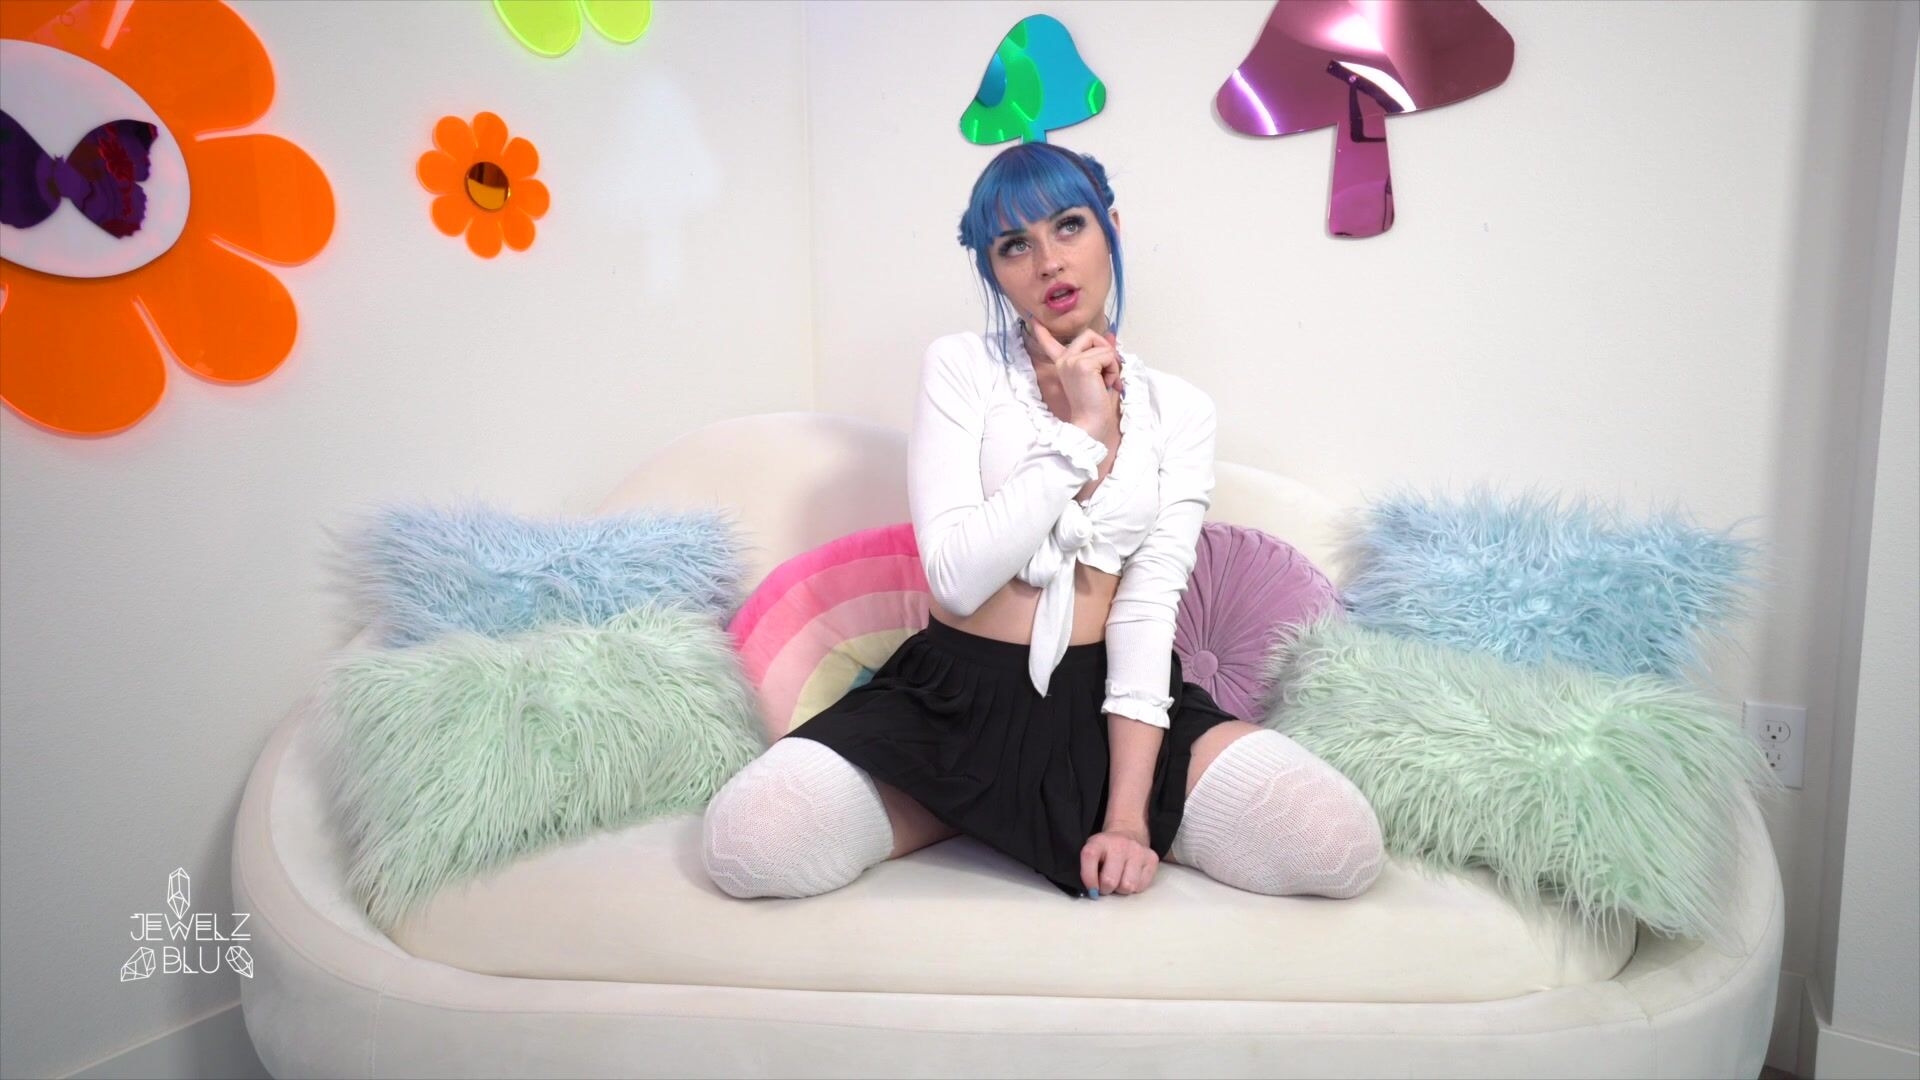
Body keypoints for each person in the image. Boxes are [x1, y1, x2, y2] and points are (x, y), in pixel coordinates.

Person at [703, 142, 1384, 902]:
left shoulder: (1180, 411)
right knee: (747, 844)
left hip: (1112, 707)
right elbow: (956, 580)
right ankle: (961, 803)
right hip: (951, 703)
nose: (1049, 261)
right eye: (1014, 245)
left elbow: (1147, 606)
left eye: (1068, 225)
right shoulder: (963, 368)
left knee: (1337, 846)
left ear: (1110, 226)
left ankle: (1064, 808)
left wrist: (1127, 820)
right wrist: (1081, 434)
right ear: (992, 268)